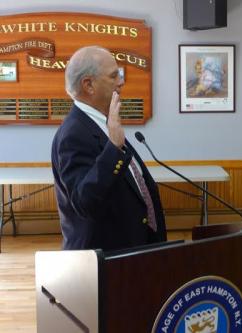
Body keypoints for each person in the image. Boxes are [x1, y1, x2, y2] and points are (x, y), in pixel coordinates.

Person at [51, 46, 166, 251]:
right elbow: (84, 203)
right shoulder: (73, 134)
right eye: (114, 76)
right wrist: (113, 148)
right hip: (106, 260)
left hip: (132, 254)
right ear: (89, 85)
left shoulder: (104, 123)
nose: (121, 82)